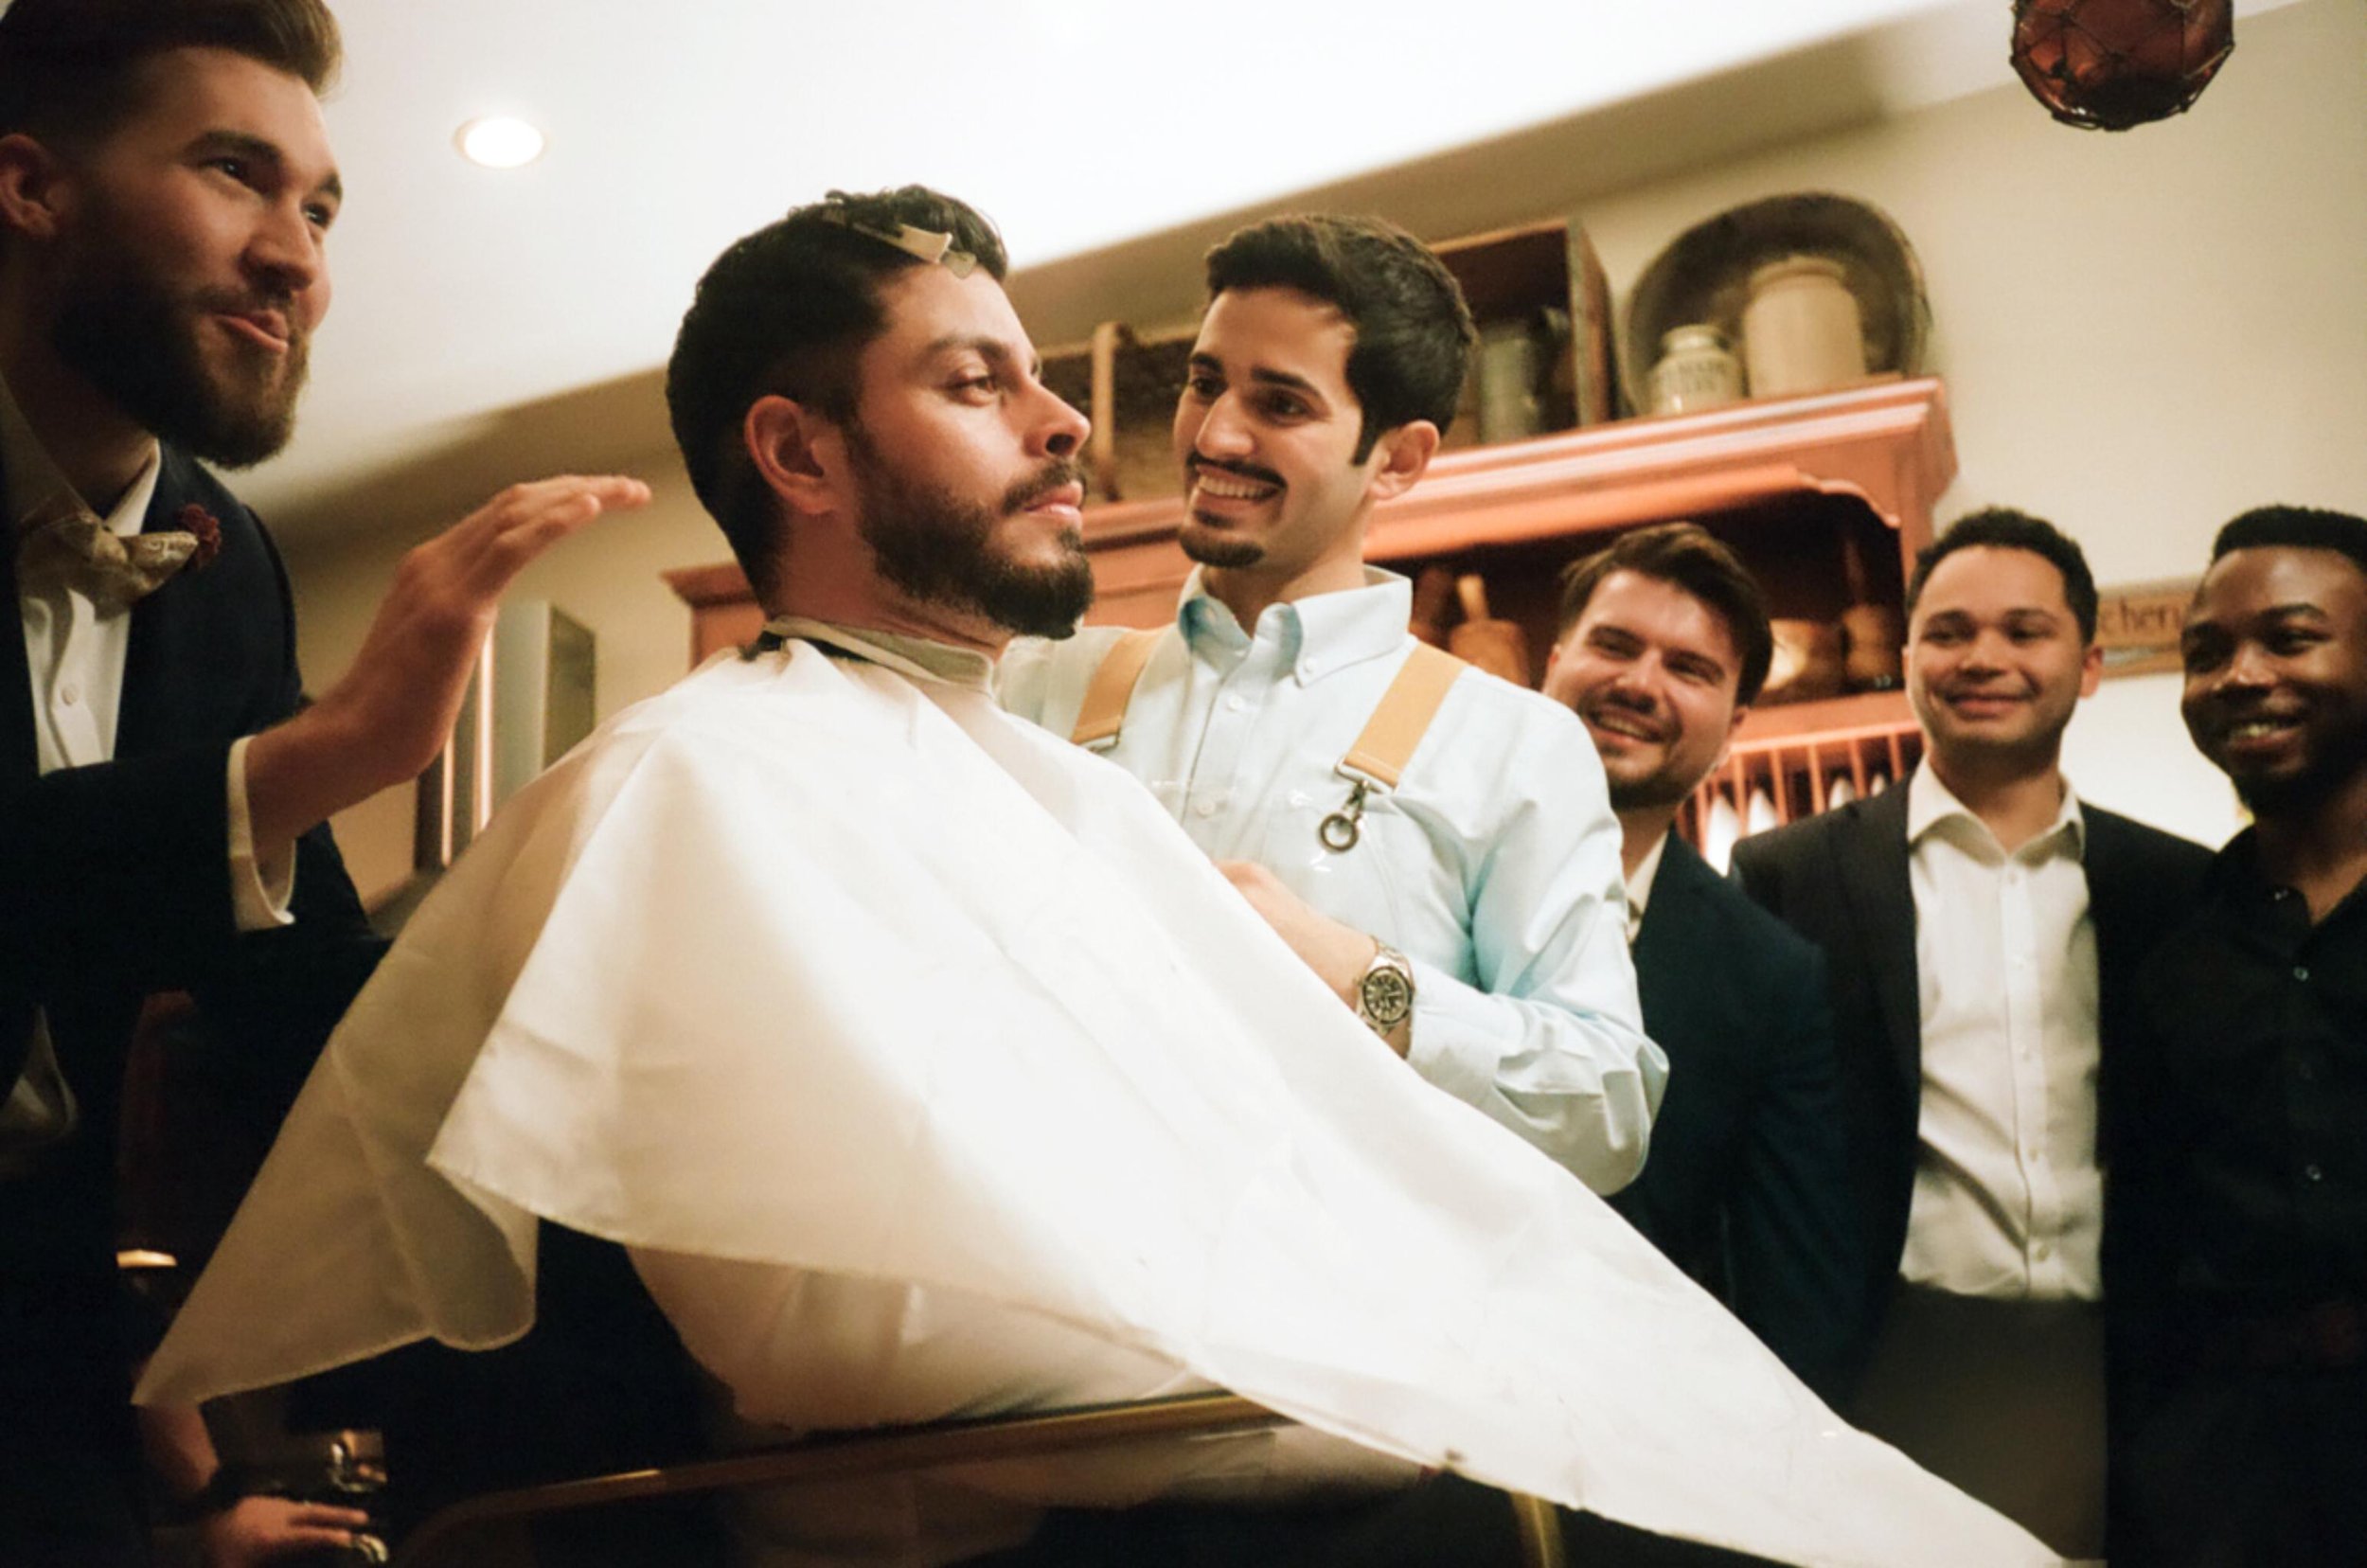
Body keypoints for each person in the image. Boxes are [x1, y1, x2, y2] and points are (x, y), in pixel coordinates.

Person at [140, 187, 2052, 1568]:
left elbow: (1576, 1110)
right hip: (1128, 1471)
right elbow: (846, 1315)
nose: (1130, 430)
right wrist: (1374, 1337)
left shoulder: (1403, 749)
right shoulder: (774, 758)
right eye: (994, 385)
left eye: (1271, 404)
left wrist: (1351, 999)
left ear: (1395, 456)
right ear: (798, 453)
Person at [0, 2, 647, 1561]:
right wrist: (334, 753)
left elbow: (297, 1005)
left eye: (323, 208)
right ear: (29, 186)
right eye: (238, 172)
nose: (302, 257)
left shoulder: (224, 560)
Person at [999, 214, 1659, 1194]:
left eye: (1281, 404)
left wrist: (1362, 980)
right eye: (1204, 381)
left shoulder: (1515, 744)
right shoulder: (1033, 682)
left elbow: (1605, 1107)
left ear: (1396, 459)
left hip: (1361, 1316)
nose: (1216, 433)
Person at [1730, 507, 2210, 1559]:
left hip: (2130, 1361)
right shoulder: (1788, 877)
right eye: (1948, 631)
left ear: (2085, 666)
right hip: (1897, 1363)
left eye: (2022, 631)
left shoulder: (2178, 887)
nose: (1982, 656)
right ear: (1905, 659)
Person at [1539, 524, 1860, 1403]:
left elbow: (1798, 1304)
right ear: (1554, 660)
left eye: (1689, 668)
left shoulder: (1769, 978)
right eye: (1614, 645)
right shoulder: (1406, 865)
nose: (1639, 682)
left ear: (1734, 727)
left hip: (1629, 1441)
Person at [2111, 504, 2367, 1566]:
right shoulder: (2171, 945)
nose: (2239, 676)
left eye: (2290, 638)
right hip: (2230, 1484)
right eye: (2205, 653)